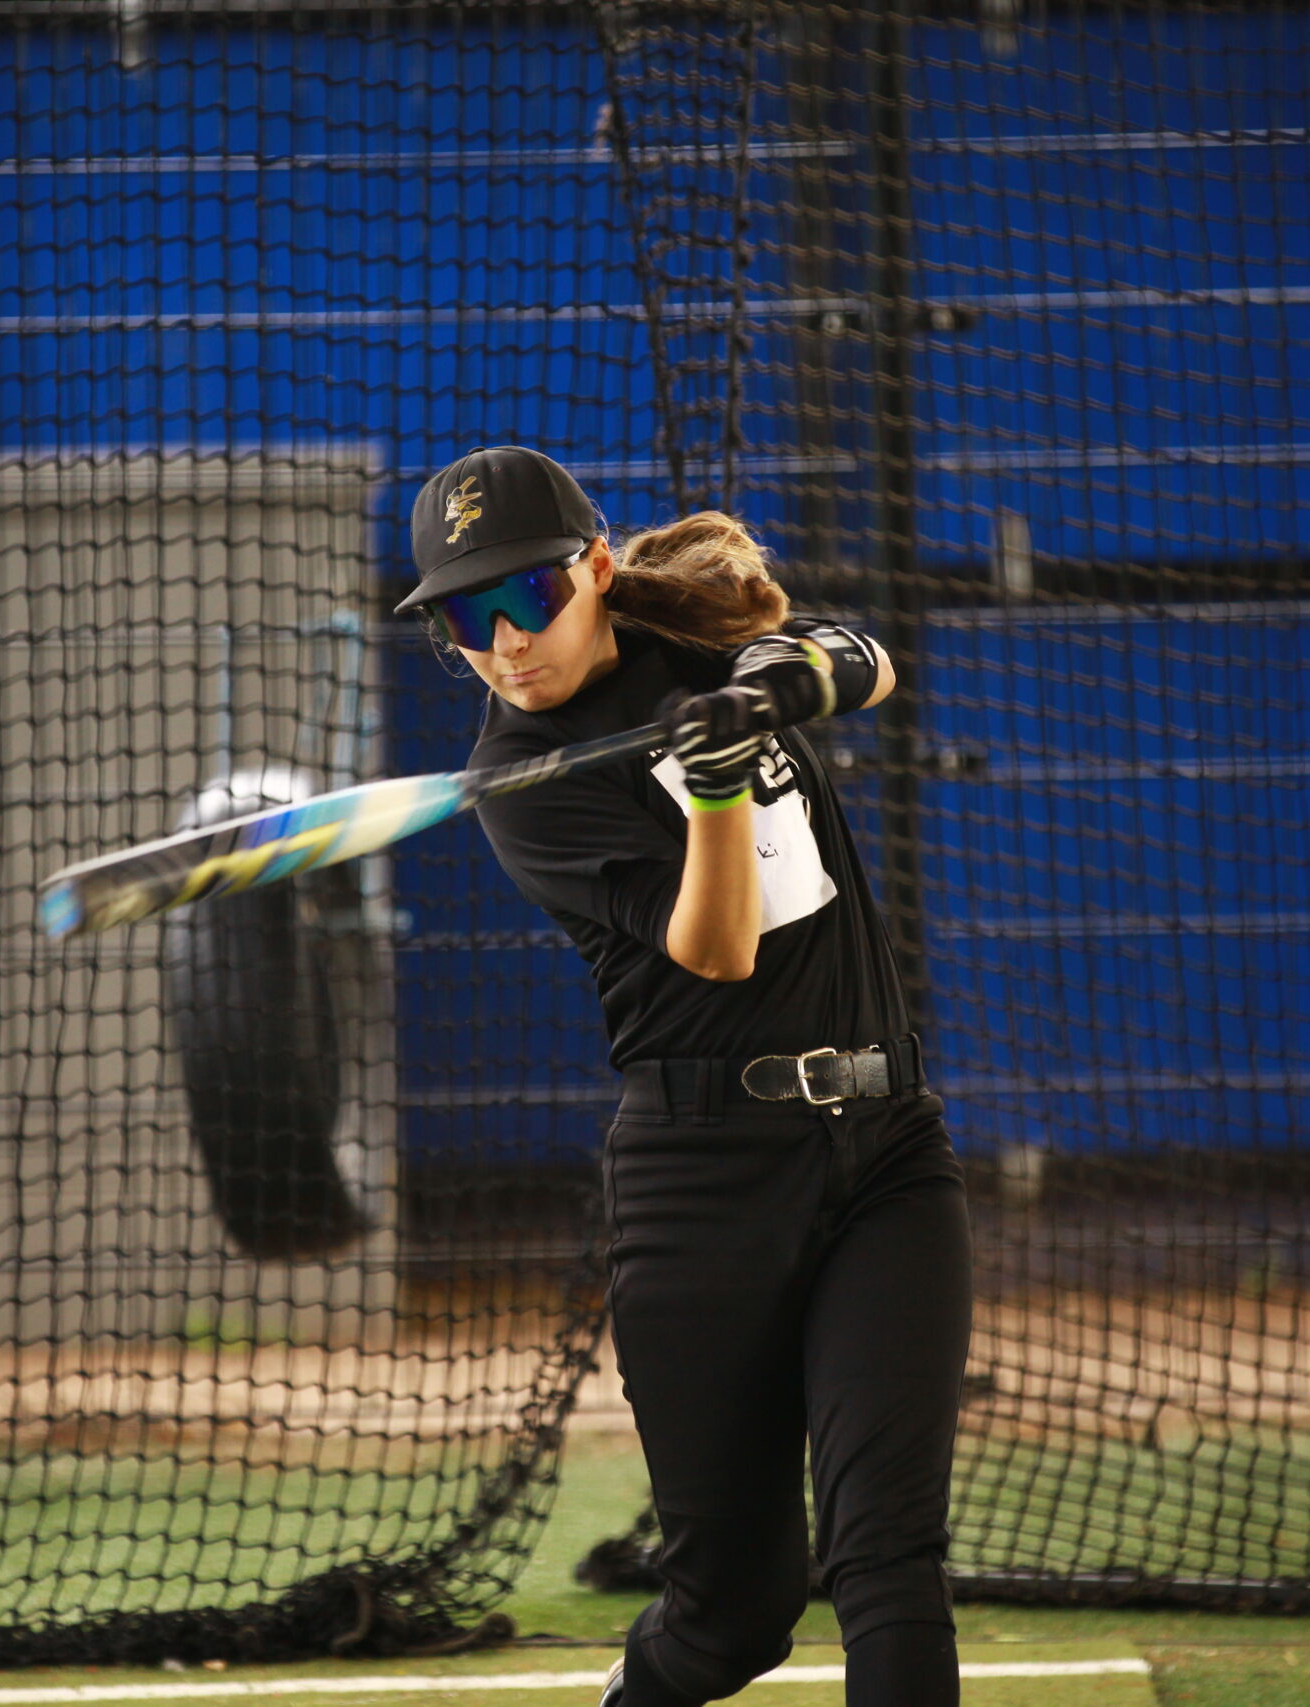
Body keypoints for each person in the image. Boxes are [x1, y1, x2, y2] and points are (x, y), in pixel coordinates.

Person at [397, 447, 971, 1707]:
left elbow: (867, 659)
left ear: (596, 569)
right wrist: (714, 788)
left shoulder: (691, 641)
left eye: (529, 596)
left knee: (888, 1552)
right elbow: (717, 950)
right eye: (465, 619)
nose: (505, 642)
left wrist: (763, 689)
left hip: (887, 1150)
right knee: (733, 1621)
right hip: (702, 1184)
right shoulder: (517, 787)